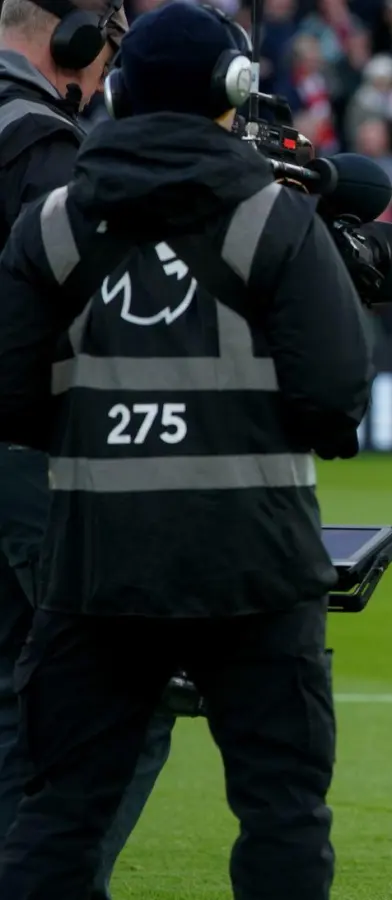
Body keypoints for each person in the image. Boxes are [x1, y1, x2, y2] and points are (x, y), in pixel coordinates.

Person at [0, 3, 372, 896]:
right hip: (258, 566)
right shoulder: (276, 222)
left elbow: (11, 399)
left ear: (117, 91)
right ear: (234, 91)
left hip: (95, 567)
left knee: (58, 812)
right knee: (281, 811)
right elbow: (334, 401)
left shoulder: (50, 224)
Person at [0, 3, 170, 898]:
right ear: (70, 38)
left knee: (7, 691)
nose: (104, 77)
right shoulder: (43, 145)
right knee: (123, 695)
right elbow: (91, 313)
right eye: (106, 53)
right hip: (33, 456)